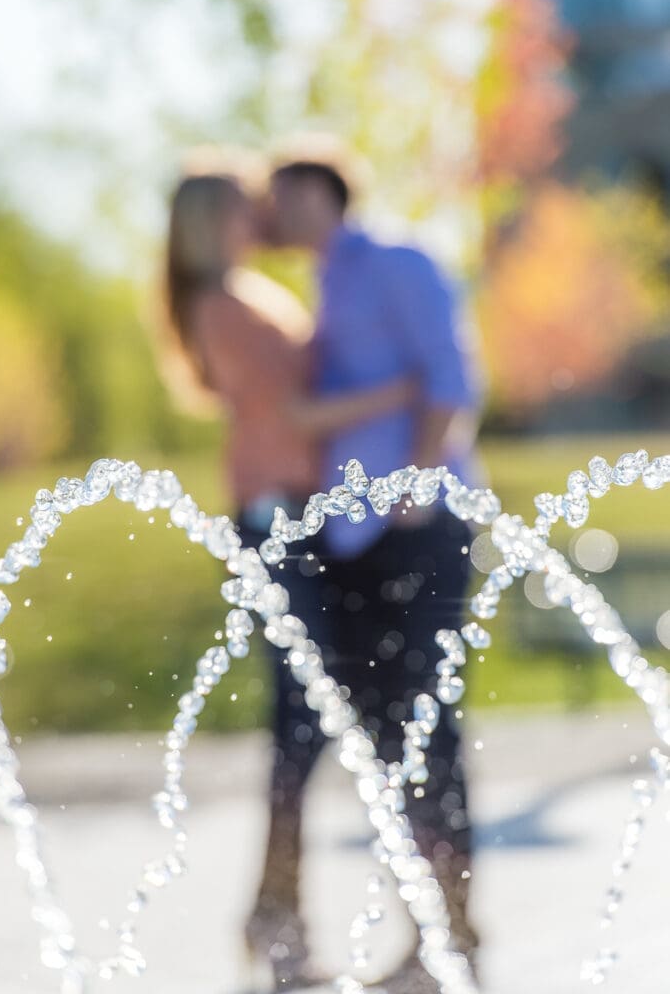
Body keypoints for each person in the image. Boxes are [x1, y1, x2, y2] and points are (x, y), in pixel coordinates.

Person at [163, 172, 417, 988]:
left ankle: (277, 916)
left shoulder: (249, 291)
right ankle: (275, 920)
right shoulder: (223, 305)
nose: (263, 214)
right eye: (247, 204)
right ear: (216, 220)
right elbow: (293, 417)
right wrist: (404, 390)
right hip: (276, 520)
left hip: (308, 518)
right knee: (301, 723)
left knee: (317, 718)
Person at [245, 159, 481, 993]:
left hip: (414, 525)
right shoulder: (323, 290)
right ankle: (426, 935)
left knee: (426, 729)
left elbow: (450, 377)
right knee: (382, 740)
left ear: (329, 196)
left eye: (290, 195)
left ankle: (453, 935)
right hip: (352, 539)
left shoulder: (396, 264)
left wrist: (416, 487)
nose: (278, 211)